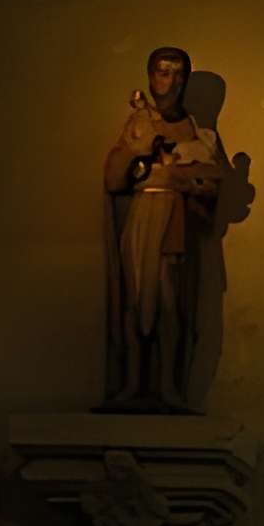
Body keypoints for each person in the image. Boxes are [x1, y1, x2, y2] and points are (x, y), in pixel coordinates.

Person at [102, 47, 225, 412]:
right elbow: (114, 179)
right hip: (141, 217)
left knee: (170, 302)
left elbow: (211, 182)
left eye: (177, 75)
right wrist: (137, 151)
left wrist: (184, 180)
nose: (169, 83)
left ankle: (168, 386)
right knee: (135, 299)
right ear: (150, 77)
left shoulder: (195, 130)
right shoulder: (139, 122)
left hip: (174, 221)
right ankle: (132, 383)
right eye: (162, 73)